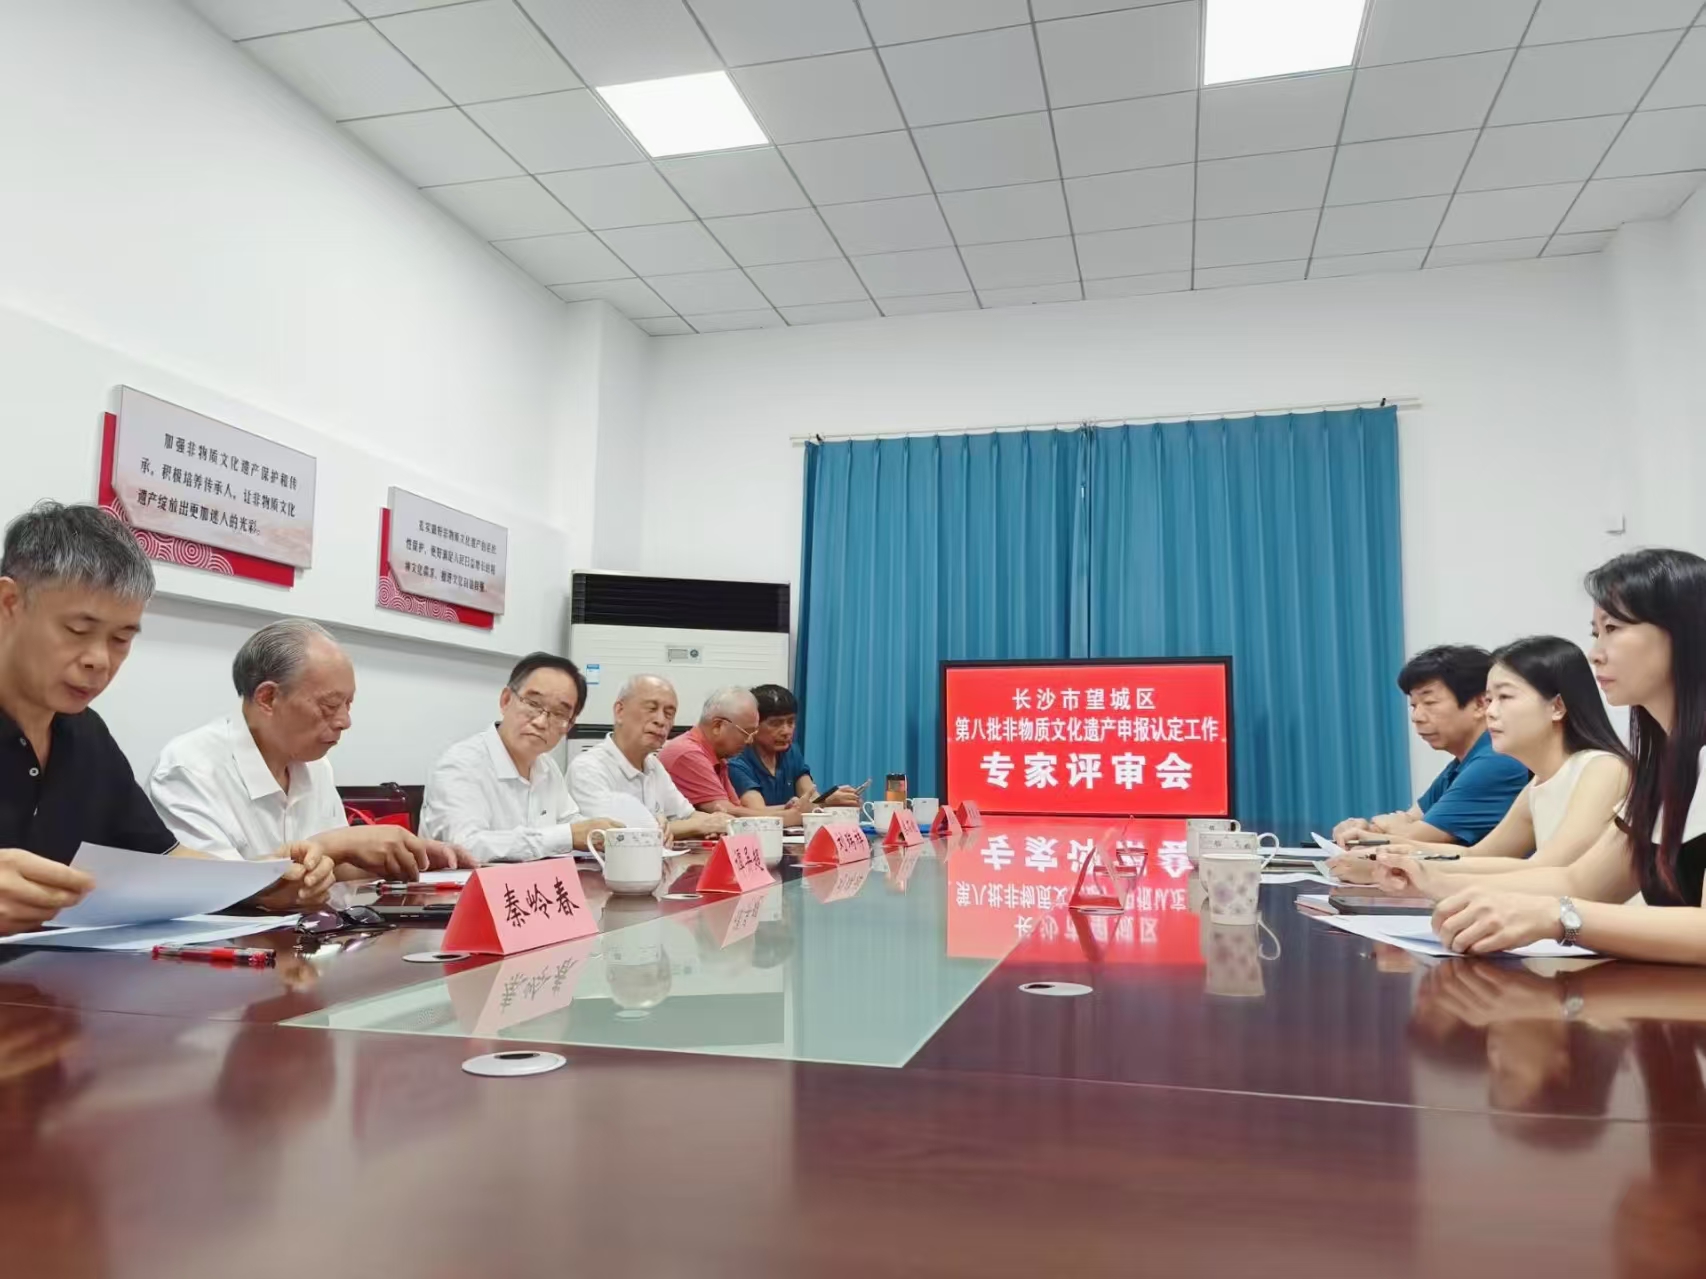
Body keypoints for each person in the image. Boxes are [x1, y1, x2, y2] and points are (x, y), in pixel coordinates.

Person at [0, 502, 328, 935]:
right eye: (77, 630)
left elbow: (166, 860)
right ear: (10, 603)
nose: (99, 660)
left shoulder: (86, 735)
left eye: (120, 639)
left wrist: (260, 882)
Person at [1373, 549, 1706, 963]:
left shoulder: (1604, 766)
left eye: (1613, 628)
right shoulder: (1663, 768)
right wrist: (1429, 879)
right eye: (1596, 632)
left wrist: (1557, 917)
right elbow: (1579, 881)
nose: (1595, 652)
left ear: (1685, 633)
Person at [148, 618, 469, 882]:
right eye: (330, 706)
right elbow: (209, 887)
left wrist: (412, 859)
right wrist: (335, 844)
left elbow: (334, 867)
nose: (345, 722)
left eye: (348, 704)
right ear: (268, 698)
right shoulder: (189, 769)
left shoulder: (314, 764)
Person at [1331, 636, 1630, 883]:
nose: (1490, 712)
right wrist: (1383, 850)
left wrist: (1406, 868)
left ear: (1557, 707)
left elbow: (1549, 869)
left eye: (1505, 698)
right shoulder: (1540, 782)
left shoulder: (1602, 769)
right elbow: (1479, 854)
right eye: (1489, 700)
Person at [418, 652, 621, 863]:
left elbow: (570, 822)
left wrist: (606, 833)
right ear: (506, 700)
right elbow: (465, 847)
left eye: (559, 714)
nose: (541, 722)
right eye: (533, 704)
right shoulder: (460, 764)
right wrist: (568, 836)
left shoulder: (546, 766)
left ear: (568, 726)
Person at [1333, 644, 1530, 848]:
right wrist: (1364, 829)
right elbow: (1410, 819)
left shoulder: (1497, 761)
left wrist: (1375, 832)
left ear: (1480, 704)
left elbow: (1413, 839)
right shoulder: (1462, 764)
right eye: (1414, 705)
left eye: (1429, 703)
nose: (1416, 717)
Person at [566, 674, 729, 840]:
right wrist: (700, 826)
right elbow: (619, 834)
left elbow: (687, 815)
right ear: (620, 711)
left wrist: (721, 822)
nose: (661, 721)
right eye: (651, 709)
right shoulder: (588, 768)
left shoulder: (653, 765)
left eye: (669, 714)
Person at [659, 686, 806, 827]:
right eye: (746, 732)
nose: (749, 741)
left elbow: (736, 808)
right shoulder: (689, 754)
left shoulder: (718, 757)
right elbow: (727, 813)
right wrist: (791, 817)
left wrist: (787, 809)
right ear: (718, 726)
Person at [727, 684, 859, 811]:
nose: (786, 731)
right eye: (775, 723)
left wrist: (832, 800)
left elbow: (811, 796)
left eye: (791, 722)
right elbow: (757, 812)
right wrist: (824, 803)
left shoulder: (791, 752)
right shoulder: (737, 760)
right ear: (754, 725)